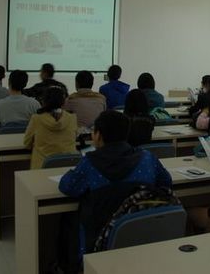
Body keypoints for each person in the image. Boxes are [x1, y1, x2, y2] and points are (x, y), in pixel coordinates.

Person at [58, 110, 172, 267]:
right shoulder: (147, 158)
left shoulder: (89, 163)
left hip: (99, 241)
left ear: (98, 135)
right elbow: (166, 182)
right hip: (143, 239)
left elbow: (67, 187)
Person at [23, 86, 78, 169]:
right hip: (68, 167)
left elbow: (27, 143)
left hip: (41, 168)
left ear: (43, 101)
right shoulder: (72, 118)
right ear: (63, 102)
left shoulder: (36, 119)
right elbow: (75, 137)